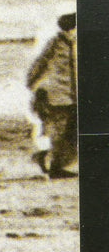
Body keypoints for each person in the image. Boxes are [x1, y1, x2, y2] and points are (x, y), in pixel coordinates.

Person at [26, 11, 77, 178]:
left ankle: (48, 160)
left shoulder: (67, 43)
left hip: (68, 96)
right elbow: (39, 65)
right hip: (57, 96)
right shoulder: (56, 44)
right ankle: (54, 165)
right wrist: (32, 85)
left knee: (65, 132)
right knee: (60, 133)